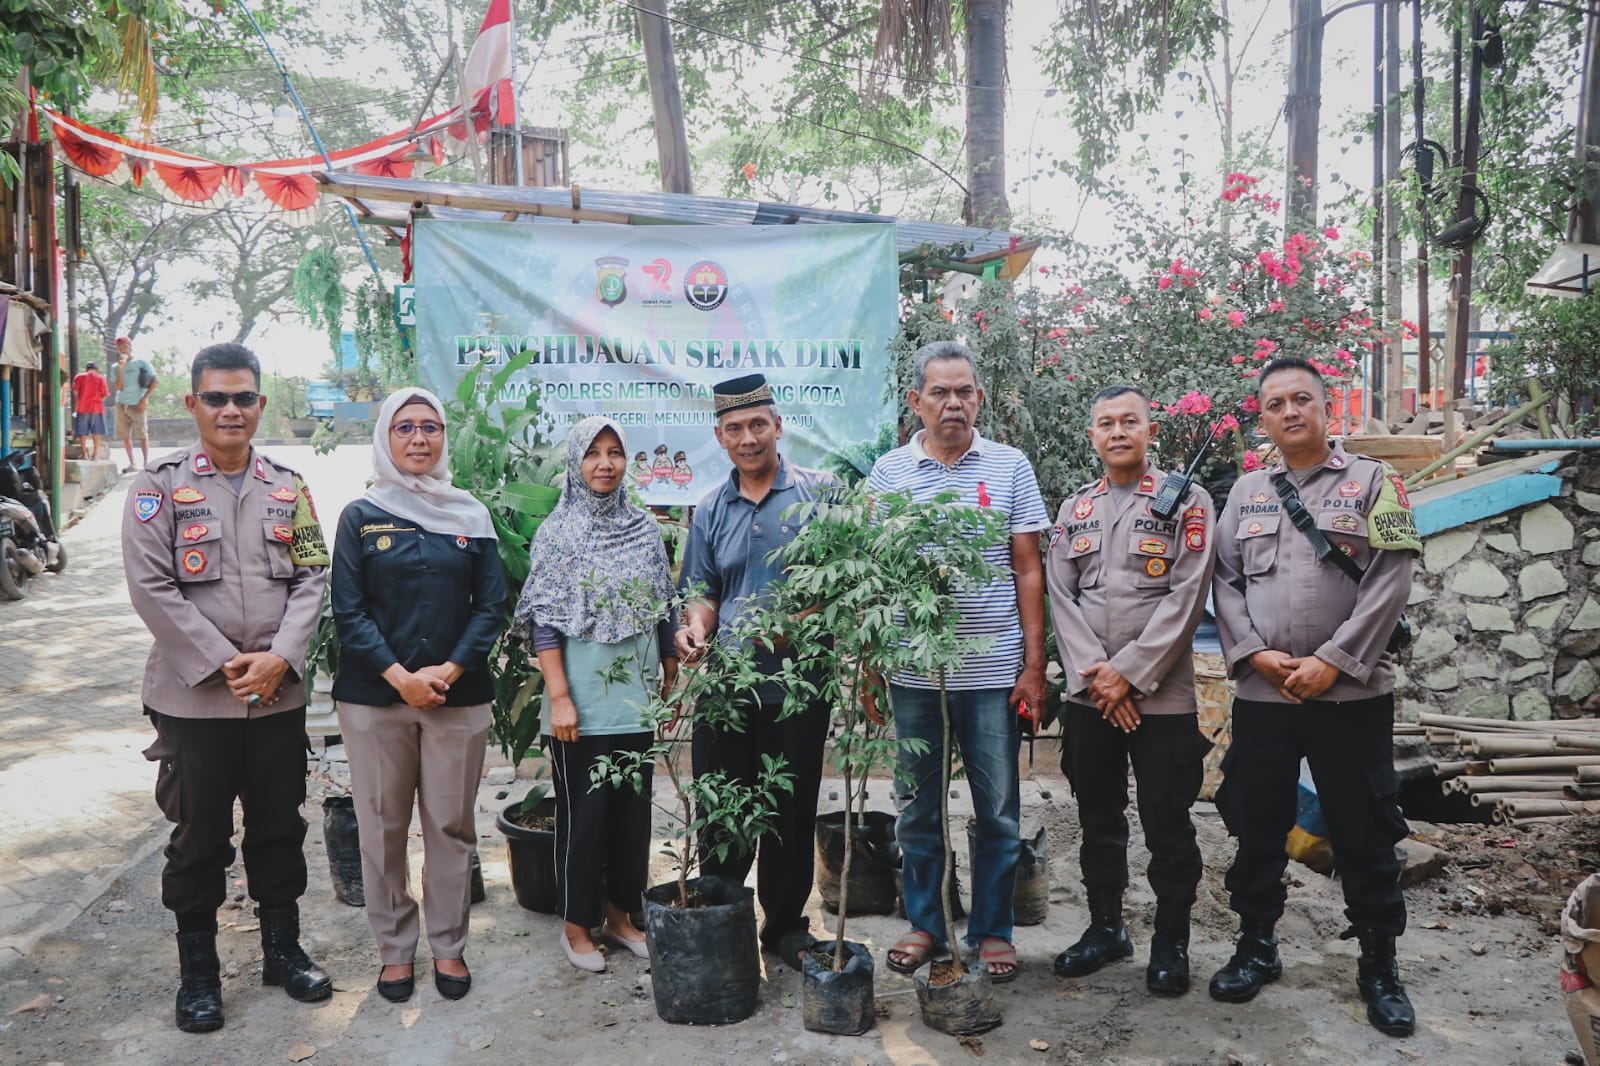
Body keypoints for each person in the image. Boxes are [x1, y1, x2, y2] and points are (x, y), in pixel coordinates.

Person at [122, 342, 332, 1033]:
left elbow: (312, 576)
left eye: (244, 397)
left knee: (279, 827)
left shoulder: (289, 487)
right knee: (199, 837)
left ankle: (283, 951)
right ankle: (200, 977)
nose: (231, 410)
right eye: (217, 398)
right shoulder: (157, 486)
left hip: (278, 697)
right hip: (195, 701)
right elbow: (151, 587)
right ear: (193, 405)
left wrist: (280, 656)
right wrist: (224, 660)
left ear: (261, 404)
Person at [1210, 356, 1420, 1036]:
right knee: (1257, 823)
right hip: (1265, 697)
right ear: (1263, 418)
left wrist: (1333, 662)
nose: (1290, 411)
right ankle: (1256, 945)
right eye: (1276, 404)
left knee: (1365, 832)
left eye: (1303, 399)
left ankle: (1379, 966)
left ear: (1328, 408)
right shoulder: (1245, 493)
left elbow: (1390, 579)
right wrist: (1255, 654)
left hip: (1350, 695)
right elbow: (1225, 581)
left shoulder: (1376, 482)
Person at [867, 341, 1049, 983]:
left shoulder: (1009, 467)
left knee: (997, 807)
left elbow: (1028, 568)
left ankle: (992, 931)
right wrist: (870, 664)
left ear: (980, 398)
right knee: (917, 805)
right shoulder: (888, 473)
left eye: (964, 391)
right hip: (913, 675)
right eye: (939, 392)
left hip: (994, 670)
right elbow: (876, 576)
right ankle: (924, 924)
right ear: (916, 401)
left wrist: (1033, 665)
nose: (953, 403)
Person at [331, 388, 506, 1003]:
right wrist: (401, 677)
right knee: (381, 826)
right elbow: (348, 614)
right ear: (385, 435)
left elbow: (491, 608)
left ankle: (448, 948)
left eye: (429, 427)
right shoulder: (361, 515)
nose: (418, 439)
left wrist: (449, 672)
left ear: (442, 436)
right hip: (376, 700)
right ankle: (394, 952)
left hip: (457, 699)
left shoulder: (470, 515)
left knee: (451, 827)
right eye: (404, 428)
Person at [1045, 385, 1217, 996]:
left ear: (1150, 430)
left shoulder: (1187, 500)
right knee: (1097, 817)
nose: (1117, 432)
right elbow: (1061, 595)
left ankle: (1171, 942)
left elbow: (1188, 593)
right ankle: (1106, 928)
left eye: (1129, 421)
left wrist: (1131, 675)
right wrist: (1099, 675)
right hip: (1092, 697)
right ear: (1092, 435)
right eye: (1105, 423)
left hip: (1160, 697)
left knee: (1168, 820)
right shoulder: (1075, 509)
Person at [674, 373, 841, 971]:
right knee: (723, 805)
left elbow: (846, 583)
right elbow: (703, 590)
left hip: (798, 687)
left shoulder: (823, 495)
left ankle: (786, 927)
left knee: (789, 808)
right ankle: (725, 916)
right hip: (727, 688)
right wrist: (694, 629)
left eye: (758, 425)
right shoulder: (710, 508)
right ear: (719, 436)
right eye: (735, 428)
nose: (749, 438)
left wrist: (796, 620)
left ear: (778, 426)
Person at [512, 415, 677, 974]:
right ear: (576, 462)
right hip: (579, 702)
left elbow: (663, 605)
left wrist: (669, 674)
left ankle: (621, 916)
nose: (605, 464)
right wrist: (559, 697)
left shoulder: (644, 528)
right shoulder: (558, 532)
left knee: (631, 816)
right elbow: (543, 624)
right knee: (584, 818)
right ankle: (576, 925)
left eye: (615, 453)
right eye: (593, 453)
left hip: (635, 697)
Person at [113, 336, 157, 473]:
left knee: (142, 435)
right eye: (120, 348)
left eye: (125, 347)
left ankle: (146, 464)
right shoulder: (115, 367)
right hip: (121, 403)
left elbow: (155, 381)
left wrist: (144, 399)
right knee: (125, 436)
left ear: (130, 347)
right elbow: (119, 387)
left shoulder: (141, 363)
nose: (123, 350)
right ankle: (132, 463)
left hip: (137, 403)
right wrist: (121, 369)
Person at [71, 361, 109, 460]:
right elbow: (105, 394)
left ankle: (84, 455)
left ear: (86, 369)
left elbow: (75, 392)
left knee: (83, 432)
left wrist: (82, 398)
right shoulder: (100, 378)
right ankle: (95, 455)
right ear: (97, 369)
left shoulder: (79, 377)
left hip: (82, 408)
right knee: (96, 432)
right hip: (96, 408)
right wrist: (96, 399)